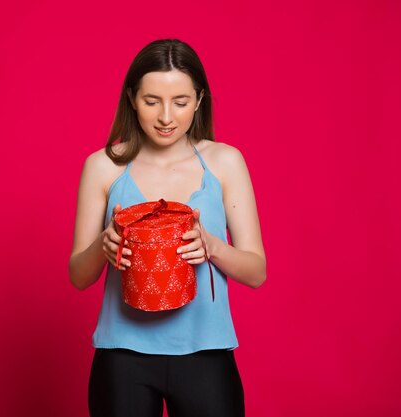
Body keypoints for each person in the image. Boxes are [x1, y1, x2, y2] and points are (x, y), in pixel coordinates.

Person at [69, 39, 266, 417]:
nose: (166, 117)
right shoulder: (103, 165)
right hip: (122, 356)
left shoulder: (225, 162)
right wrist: (104, 245)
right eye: (151, 100)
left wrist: (213, 246)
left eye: (180, 101)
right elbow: (79, 276)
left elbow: (257, 272)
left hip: (206, 353)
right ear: (131, 97)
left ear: (199, 99)